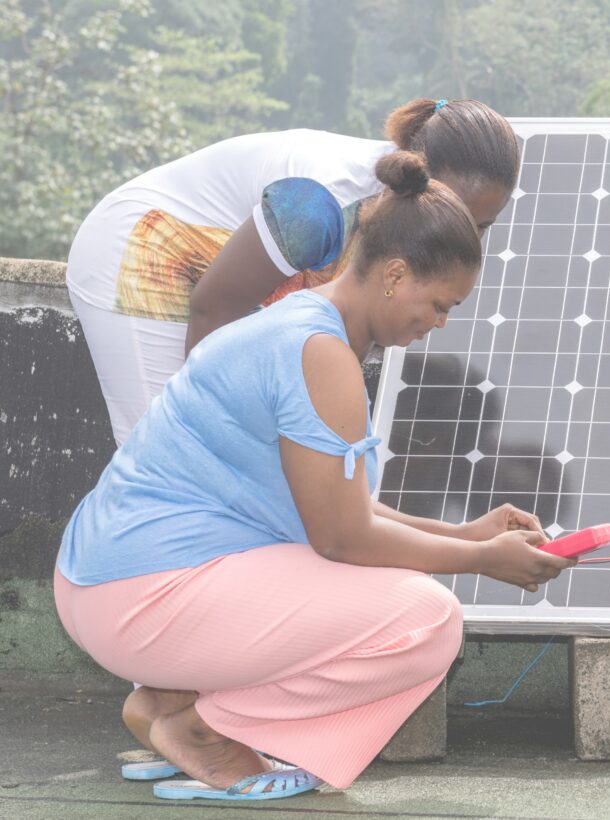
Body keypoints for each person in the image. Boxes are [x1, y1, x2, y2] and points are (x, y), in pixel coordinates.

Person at [54, 151, 574, 802]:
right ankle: (201, 724)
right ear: (393, 274)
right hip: (140, 597)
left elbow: (335, 509)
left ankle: (167, 699)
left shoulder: (299, 326)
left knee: (377, 578)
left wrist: (467, 535)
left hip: (105, 584)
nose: (438, 324)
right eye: (439, 304)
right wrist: (481, 561)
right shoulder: (321, 354)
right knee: (427, 621)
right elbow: (342, 539)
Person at [66, 97, 518, 446]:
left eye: (482, 225)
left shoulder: (396, 227)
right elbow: (213, 309)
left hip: (226, 276)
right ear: (418, 174)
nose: (467, 234)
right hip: (146, 249)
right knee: (164, 452)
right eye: (460, 214)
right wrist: (213, 433)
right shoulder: (320, 206)